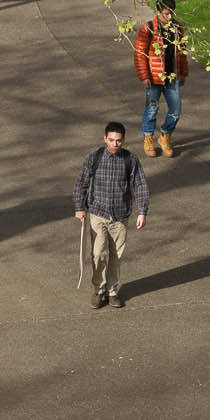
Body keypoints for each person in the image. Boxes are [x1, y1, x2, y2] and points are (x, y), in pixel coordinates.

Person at [73, 122, 148, 309]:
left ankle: (113, 291)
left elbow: (140, 185)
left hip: (120, 216)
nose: (115, 144)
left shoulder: (130, 159)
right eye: (112, 140)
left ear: (124, 140)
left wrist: (142, 211)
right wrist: (79, 207)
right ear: (105, 138)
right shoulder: (94, 158)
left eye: (119, 140)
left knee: (116, 255)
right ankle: (99, 290)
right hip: (97, 214)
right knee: (98, 254)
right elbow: (81, 182)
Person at [134, 0, 189, 157]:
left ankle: (165, 136)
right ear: (158, 12)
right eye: (166, 13)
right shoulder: (148, 29)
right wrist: (144, 76)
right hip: (154, 78)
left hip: (171, 77)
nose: (170, 17)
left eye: (171, 13)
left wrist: (183, 72)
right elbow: (139, 54)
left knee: (176, 109)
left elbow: (182, 52)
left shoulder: (177, 28)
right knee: (152, 109)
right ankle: (148, 138)